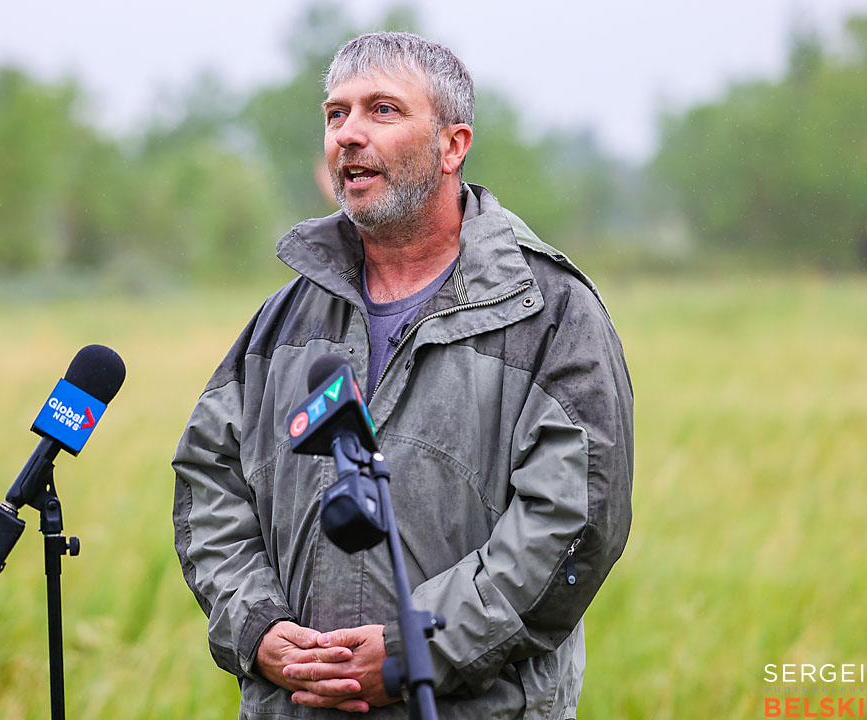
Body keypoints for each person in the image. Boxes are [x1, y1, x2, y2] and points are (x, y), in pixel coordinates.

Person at [173, 31, 633, 719]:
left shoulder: (551, 313)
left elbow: (571, 523)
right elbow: (210, 481)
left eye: (382, 110)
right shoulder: (283, 319)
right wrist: (259, 627)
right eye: (336, 115)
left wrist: (412, 651)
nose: (349, 136)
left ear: (454, 145)